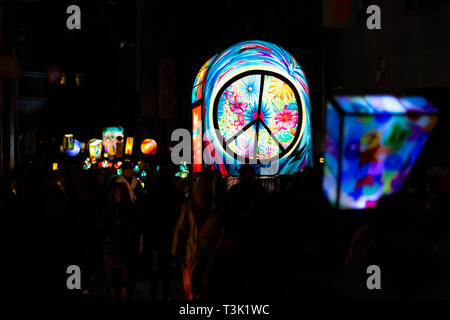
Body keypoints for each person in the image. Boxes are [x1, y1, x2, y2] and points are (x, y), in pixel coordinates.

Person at [171, 171, 213, 300]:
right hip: (204, 253)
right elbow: (180, 230)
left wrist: (175, 253)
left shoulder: (190, 206)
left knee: (192, 290)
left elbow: (180, 229)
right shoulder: (214, 208)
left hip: (193, 253)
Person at [102, 182, 144, 300]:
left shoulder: (131, 209)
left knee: (126, 281)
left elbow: (139, 226)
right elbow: (103, 227)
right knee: (113, 282)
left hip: (127, 248)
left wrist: (125, 226)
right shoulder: (108, 209)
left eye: (121, 193)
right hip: (111, 249)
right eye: (116, 192)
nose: (119, 195)